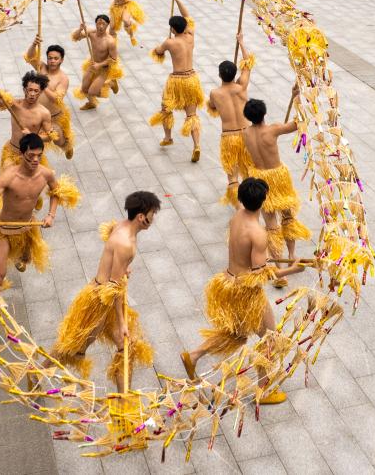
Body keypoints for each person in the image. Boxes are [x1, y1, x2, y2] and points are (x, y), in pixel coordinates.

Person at [178, 177, 307, 403]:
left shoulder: (237, 216)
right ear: (264, 201)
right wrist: (292, 270)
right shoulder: (258, 234)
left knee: (236, 334)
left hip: (229, 283)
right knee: (270, 337)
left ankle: (194, 356)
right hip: (247, 293)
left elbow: (250, 259)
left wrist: (263, 259)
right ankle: (264, 391)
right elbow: (259, 275)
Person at [49, 191, 160, 391]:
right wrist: (122, 322)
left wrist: (121, 267)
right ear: (141, 217)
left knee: (126, 347)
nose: (154, 217)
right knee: (73, 346)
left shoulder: (122, 226)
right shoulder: (126, 243)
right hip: (99, 302)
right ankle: (38, 371)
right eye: (152, 213)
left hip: (102, 294)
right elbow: (113, 288)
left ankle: (124, 401)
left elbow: (112, 254)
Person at [0, 133, 79, 284]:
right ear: (22, 154)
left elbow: (57, 192)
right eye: (31, 155)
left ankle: (20, 257)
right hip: (3, 229)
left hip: (27, 228)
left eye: (39, 155)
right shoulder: (9, 176)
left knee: (26, 259)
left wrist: (51, 215)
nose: (35, 159)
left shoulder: (46, 174)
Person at [241, 96, 310, 289]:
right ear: (264, 114)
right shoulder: (273, 129)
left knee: (271, 227)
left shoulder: (246, 133)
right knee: (288, 218)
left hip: (260, 180)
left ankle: (279, 270)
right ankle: (292, 255)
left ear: (248, 116)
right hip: (279, 178)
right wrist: (298, 98)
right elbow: (298, 123)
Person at [150, 0, 204, 162]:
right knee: (191, 115)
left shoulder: (170, 42)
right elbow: (188, 16)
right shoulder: (190, 36)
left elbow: (158, 52)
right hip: (192, 79)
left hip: (176, 80)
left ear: (173, 29)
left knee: (166, 108)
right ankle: (196, 145)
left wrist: (161, 45)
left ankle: (168, 137)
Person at [207, 33, 255, 206]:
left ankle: (238, 208)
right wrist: (241, 42)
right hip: (246, 134)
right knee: (249, 172)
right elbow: (248, 63)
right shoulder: (241, 87)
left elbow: (212, 107)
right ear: (235, 74)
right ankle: (251, 202)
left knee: (233, 178)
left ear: (220, 75)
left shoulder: (215, 93)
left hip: (229, 137)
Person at [0, 72, 54, 170]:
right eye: (30, 90)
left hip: (31, 155)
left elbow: (50, 136)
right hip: (12, 152)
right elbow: (1, 103)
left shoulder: (44, 113)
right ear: (25, 90)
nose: (32, 94)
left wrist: (32, 136)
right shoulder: (15, 104)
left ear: (41, 92)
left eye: (36, 91)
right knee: (7, 174)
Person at [24, 39, 74, 159]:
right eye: (50, 58)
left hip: (54, 117)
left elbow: (56, 99)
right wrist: (34, 44)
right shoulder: (41, 67)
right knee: (31, 141)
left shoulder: (63, 78)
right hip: (37, 114)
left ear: (61, 60)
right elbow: (30, 57)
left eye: (56, 58)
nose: (52, 61)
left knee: (58, 140)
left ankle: (66, 146)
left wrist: (44, 85)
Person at [72, 14, 122, 110]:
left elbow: (114, 59)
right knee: (84, 89)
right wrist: (80, 29)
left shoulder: (110, 41)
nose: (101, 26)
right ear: (95, 24)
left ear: (107, 25)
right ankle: (92, 103)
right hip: (92, 65)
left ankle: (111, 83)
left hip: (104, 69)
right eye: (99, 23)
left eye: (103, 24)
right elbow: (76, 38)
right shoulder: (91, 33)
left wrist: (99, 65)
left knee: (92, 92)